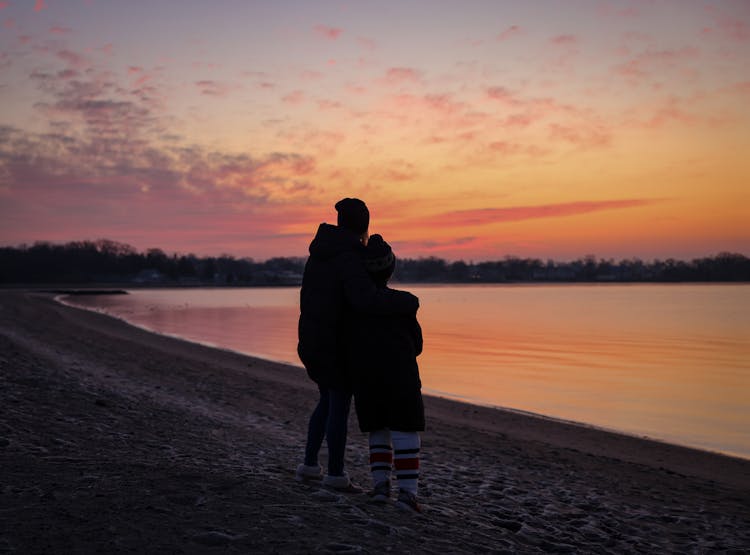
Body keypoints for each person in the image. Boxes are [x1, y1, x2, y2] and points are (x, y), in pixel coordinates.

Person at [296, 199, 419, 492]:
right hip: (335, 342)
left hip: (312, 338)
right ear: (363, 224)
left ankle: (310, 466)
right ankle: (335, 475)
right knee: (338, 404)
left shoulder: (321, 251)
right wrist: (406, 301)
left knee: (326, 400)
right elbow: (365, 299)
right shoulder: (349, 256)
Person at [347, 234, 425, 513]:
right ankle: (407, 494)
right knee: (405, 430)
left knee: (378, 428)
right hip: (401, 375)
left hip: (367, 376)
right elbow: (417, 345)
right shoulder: (404, 306)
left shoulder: (355, 307)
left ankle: (381, 488)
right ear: (390, 269)